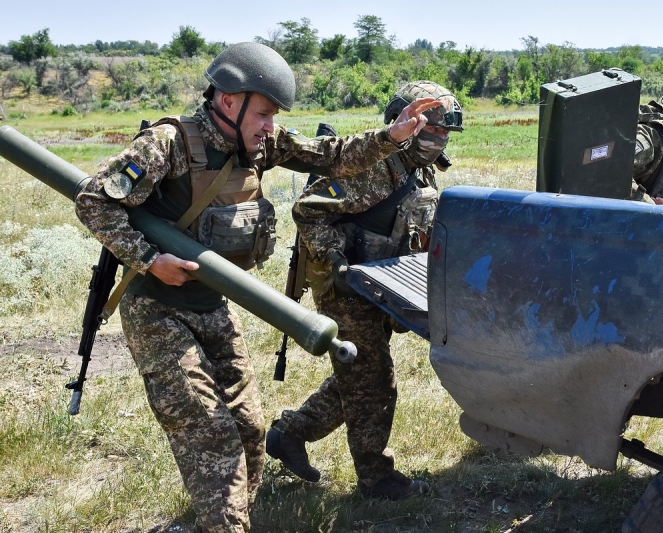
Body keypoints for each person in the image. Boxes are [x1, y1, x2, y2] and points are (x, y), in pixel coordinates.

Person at [73, 43, 441, 533]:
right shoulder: (169, 143)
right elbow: (95, 200)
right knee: (211, 435)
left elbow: (331, 156)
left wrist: (391, 137)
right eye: (264, 112)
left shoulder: (260, 143)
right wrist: (148, 259)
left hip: (212, 303)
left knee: (249, 429)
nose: (270, 125)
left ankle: (229, 518)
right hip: (157, 310)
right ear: (229, 101)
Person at [266, 81, 463, 500]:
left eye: (445, 133)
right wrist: (335, 260)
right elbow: (308, 211)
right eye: (430, 130)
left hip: (385, 284)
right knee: (376, 380)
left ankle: (289, 433)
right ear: (404, 123)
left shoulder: (420, 169)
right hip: (348, 288)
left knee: (357, 377)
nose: (438, 139)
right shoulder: (371, 166)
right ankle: (376, 478)